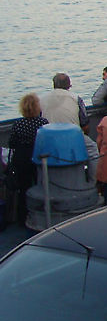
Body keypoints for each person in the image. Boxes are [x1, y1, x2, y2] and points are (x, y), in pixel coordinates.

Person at [7, 93, 48, 225]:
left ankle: (22, 217)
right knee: (40, 185)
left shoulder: (18, 124)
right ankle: (40, 213)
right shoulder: (42, 123)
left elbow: (12, 143)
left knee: (24, 188)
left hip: (22, 158)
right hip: (38, 157)